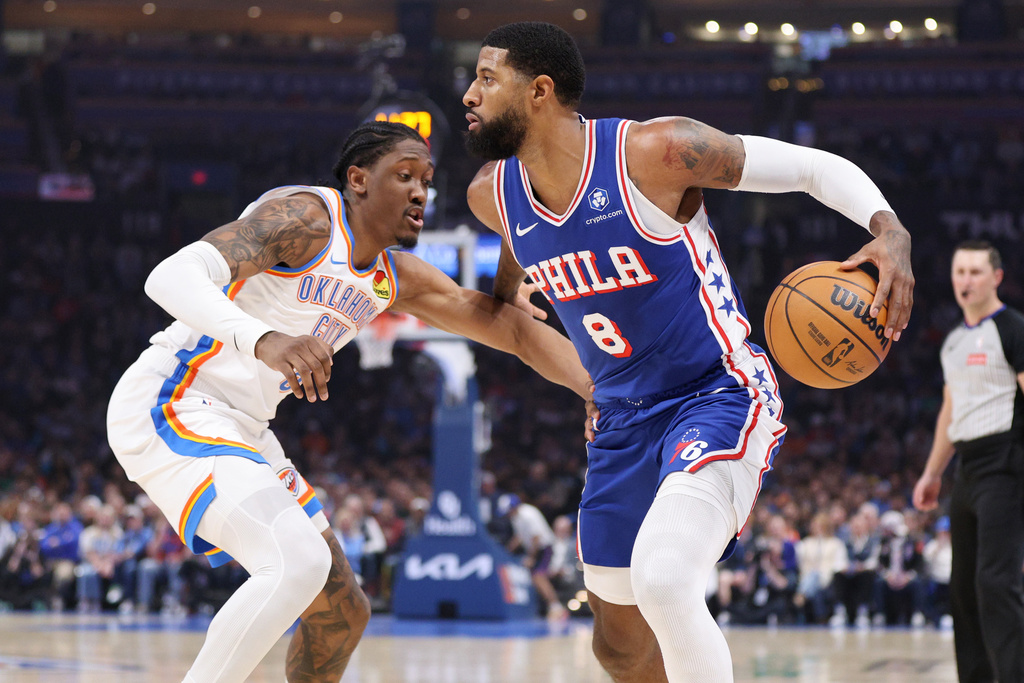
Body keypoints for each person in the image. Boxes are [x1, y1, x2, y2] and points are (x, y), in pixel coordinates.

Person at [462, 22, 914, 682]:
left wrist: (889, 229)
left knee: (666, 577)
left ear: (539, 91)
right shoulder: (489, 194)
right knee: (618, 645)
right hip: (618, 420)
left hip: (717, 392)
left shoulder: (654, 151)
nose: (469, 93)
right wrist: (507, 291)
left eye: (485, 77)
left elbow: (810, 168)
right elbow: (517, 230)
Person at [106, 121, 592, 683]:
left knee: (342, 611)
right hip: (174, 399)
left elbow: (509, 329)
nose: (419, 192)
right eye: (404, 175)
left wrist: (600, 393)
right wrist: (264, 339)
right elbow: (170, 276)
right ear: (358, 179)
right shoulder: (307, 220)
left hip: (246, 427)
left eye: (427, 181)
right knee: (298, 563)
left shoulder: (393, 276)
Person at [912, 240, 1024, 682]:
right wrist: (932, 473)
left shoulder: (1013, 327)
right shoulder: (953, 343)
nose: (966, 280)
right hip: (967, 470)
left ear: (996, 278)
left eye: (976, 272)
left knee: (996, 583)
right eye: (960, 272)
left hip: (1007, 461)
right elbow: (949, 409)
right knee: (962, 589)